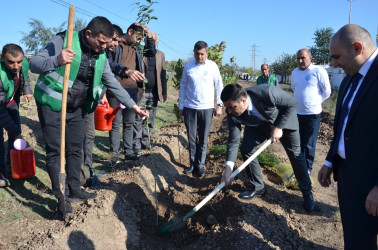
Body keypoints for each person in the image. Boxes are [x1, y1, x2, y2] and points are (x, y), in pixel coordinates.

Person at [30, 16, 148, 218]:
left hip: (77, 107)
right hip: (51, 104)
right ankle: (61, 197)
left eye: (107, 43)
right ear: (88, 34)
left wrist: (133, 106)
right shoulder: (63, 41)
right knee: (55, 151)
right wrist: (57, 60)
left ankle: (75, 189)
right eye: (101, 42)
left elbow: (111, 82)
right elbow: (34, 64)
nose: (104, 47)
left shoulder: (100, 54)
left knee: (76, 148)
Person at [318, 24, 378, 249]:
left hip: (373, 179)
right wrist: (329, 160)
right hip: (349, 176)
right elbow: (343, 126)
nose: (333, 64)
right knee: (356, 238)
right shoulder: (349, 78)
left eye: (336, 57)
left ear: (356, 47)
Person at [220, 83, 314, 212]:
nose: (229, 111)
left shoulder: (267, 93)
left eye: (232, 107)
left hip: (284, 123)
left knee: (296, 156)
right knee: (247, 148)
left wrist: (279, 127)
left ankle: (307, 193)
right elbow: (233, 140)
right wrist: (228, 167)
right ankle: (258, 187)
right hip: (259, 126)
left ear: (243, 101)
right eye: (228, 108)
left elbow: (292, 103)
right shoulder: (231, 112)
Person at [106, 23, 156, 165]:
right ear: (129, 31)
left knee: (129, 122)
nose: (139, 41)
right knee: (115, 123)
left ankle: (128, 152)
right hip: (116, 90)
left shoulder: (138, 49)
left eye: (141, 39)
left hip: (133, 91)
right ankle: (114, 155)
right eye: (137, 37)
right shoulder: (116, 46)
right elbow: (108, 63)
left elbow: (152, 52)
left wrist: (148, 32)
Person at [179, 41, 223, 177]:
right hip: (190, 108)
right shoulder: (188, 67)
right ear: (194, 53)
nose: (200, 57)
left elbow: (219, 86)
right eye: (197, 54)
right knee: (192, 139)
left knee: (203, 139)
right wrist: (181, 105)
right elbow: (183, 87)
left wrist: (219, 104)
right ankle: (192, 164)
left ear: (207, 53)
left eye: (202, 54)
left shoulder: (212, 67)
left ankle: (200, 165)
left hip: (207, 107)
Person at [291, 49, 331, 173]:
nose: (300, 61)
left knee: (309, 143)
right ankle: (299, 168)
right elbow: (294, 88)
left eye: (303, 58)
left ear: (310, 58)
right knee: (298, 142)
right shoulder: (295, 72)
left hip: (312, 114)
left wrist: (315, 103)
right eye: (298, 58)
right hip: (297, 113)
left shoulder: (318, 71)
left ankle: (307, 169)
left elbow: (327, 91)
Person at [0, 44, 33, 187]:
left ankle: (13, 165)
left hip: (11, 101)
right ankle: (1, 172)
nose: (16, 66)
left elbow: (25, 75)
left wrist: (27, 89)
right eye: (11, 62)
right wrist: (17, 133)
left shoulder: (23, 63)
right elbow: (1, 113)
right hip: (0, 104)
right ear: (2, 59)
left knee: (15, 132)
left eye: (18, 62)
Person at [133, 32, 168, 153]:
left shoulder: (161, 55)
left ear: (156, 43)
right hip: (141, 92)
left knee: (151, 119)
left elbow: (163, 74)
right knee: (138, 118)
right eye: (148, 41)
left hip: (154, 93)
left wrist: (164, 92)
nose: (150, 43)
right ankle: (136, 144)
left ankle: (146, 141)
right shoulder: (141, 53)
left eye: (153, 41)